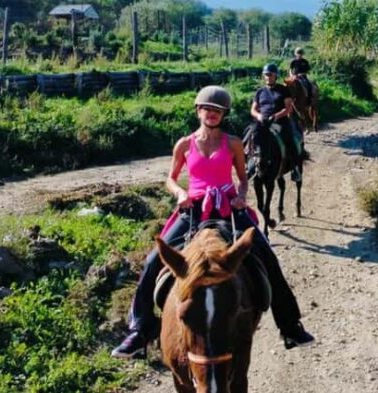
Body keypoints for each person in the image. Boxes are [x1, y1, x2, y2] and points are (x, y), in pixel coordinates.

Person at [111, 85, 314, 359]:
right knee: (151, 262)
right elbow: (170, 178)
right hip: (193, 207)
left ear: (224, 114)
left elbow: (242, 178)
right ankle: (140, 330)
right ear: (198, 110)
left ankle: (289, 325)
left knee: (266, 254)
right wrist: (180, 192)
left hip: (227, 206)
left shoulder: (233, 143)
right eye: (207, 109)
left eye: (217, 111)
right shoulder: (184, 144)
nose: (212, 114)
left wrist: (241, 196)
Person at [250, 63, 304, 181]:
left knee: (290, 139)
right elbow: (253, 109)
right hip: (263, 121)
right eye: (266, 75)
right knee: (249, 134)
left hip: (279, 122)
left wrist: (276, 116)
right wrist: (258, 116)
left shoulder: (283, 90)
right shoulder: (260, 92)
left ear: (276, 76)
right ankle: (247, 163)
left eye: (271, 75)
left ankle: (295, 168)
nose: (268, 77)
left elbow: (288, 108)